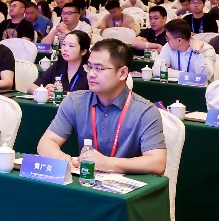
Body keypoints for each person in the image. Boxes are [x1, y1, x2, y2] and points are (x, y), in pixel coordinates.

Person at [36, 39, 167, 175]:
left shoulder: (145, 111)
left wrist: (108, 163)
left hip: (125, 185)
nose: (91, 74)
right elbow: (46, 142)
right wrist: (60, 157)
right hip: (86, 181)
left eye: (99, 68)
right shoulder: (75, 101)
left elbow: (157, 163)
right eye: (89, 67)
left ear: (122, 73)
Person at [34, 29, 92, 94]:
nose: (65, 49)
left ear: (83, 51)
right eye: (64, 44)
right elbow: (32, 87)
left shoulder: (90, 70)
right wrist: (45, 91)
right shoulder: (59, 65)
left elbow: (93, 96)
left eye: (71, 46)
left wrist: (62, 94)